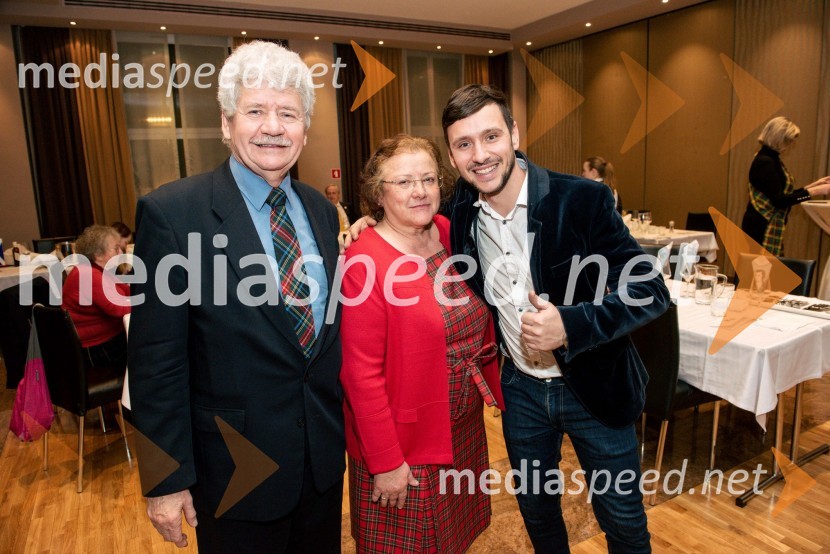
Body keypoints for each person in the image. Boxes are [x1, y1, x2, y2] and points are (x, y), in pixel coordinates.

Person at [347, 84, 669, 552]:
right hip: (520, 393)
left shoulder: (581, 199)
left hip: (594, 387)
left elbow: (650, 290)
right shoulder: (456, 216)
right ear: (453, 160)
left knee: (621, 517)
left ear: (515, 135)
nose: (480, 154)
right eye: (463, 144)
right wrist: (368, 227)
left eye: (491, 136)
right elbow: (398, 230)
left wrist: (573, 324)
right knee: (537, 513)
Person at [128, 41, 344, 553]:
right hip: (234, 474)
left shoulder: (318, 209)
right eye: (255, 111)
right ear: (226, 124)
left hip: (320, 465)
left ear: (305, 130)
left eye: (288, 113)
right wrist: (165, 478)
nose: (273, 126)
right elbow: (155, 360)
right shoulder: (173, 215)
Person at [340, 134, 504, 553]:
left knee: (454, 540)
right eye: (404, 182)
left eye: (429, 179)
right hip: (405, 445)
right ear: (378, 193)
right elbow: (360, 376)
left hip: (462, 431)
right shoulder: (364, 261)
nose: (420, 191)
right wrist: (386, 462)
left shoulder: (449, 232)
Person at [740, 116, 830, 255]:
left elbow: (782, 194)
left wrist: (813, 186)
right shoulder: (765, 162)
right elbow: (780, 201)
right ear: (778, 139)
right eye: (788, 141)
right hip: (760, 227)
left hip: (765, 224)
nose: (790, 145)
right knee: (757, 273)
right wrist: (815, 191)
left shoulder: (771, 159)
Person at [62, 224, 130, 369]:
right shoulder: (88, 274)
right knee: (149, 349)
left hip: (99, 342)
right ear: (98, 254)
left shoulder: (97, 271)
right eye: (116, 248)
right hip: (94, 350)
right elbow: (117, 309)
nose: (121, 252)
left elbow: (125, 291)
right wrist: (148, 304)